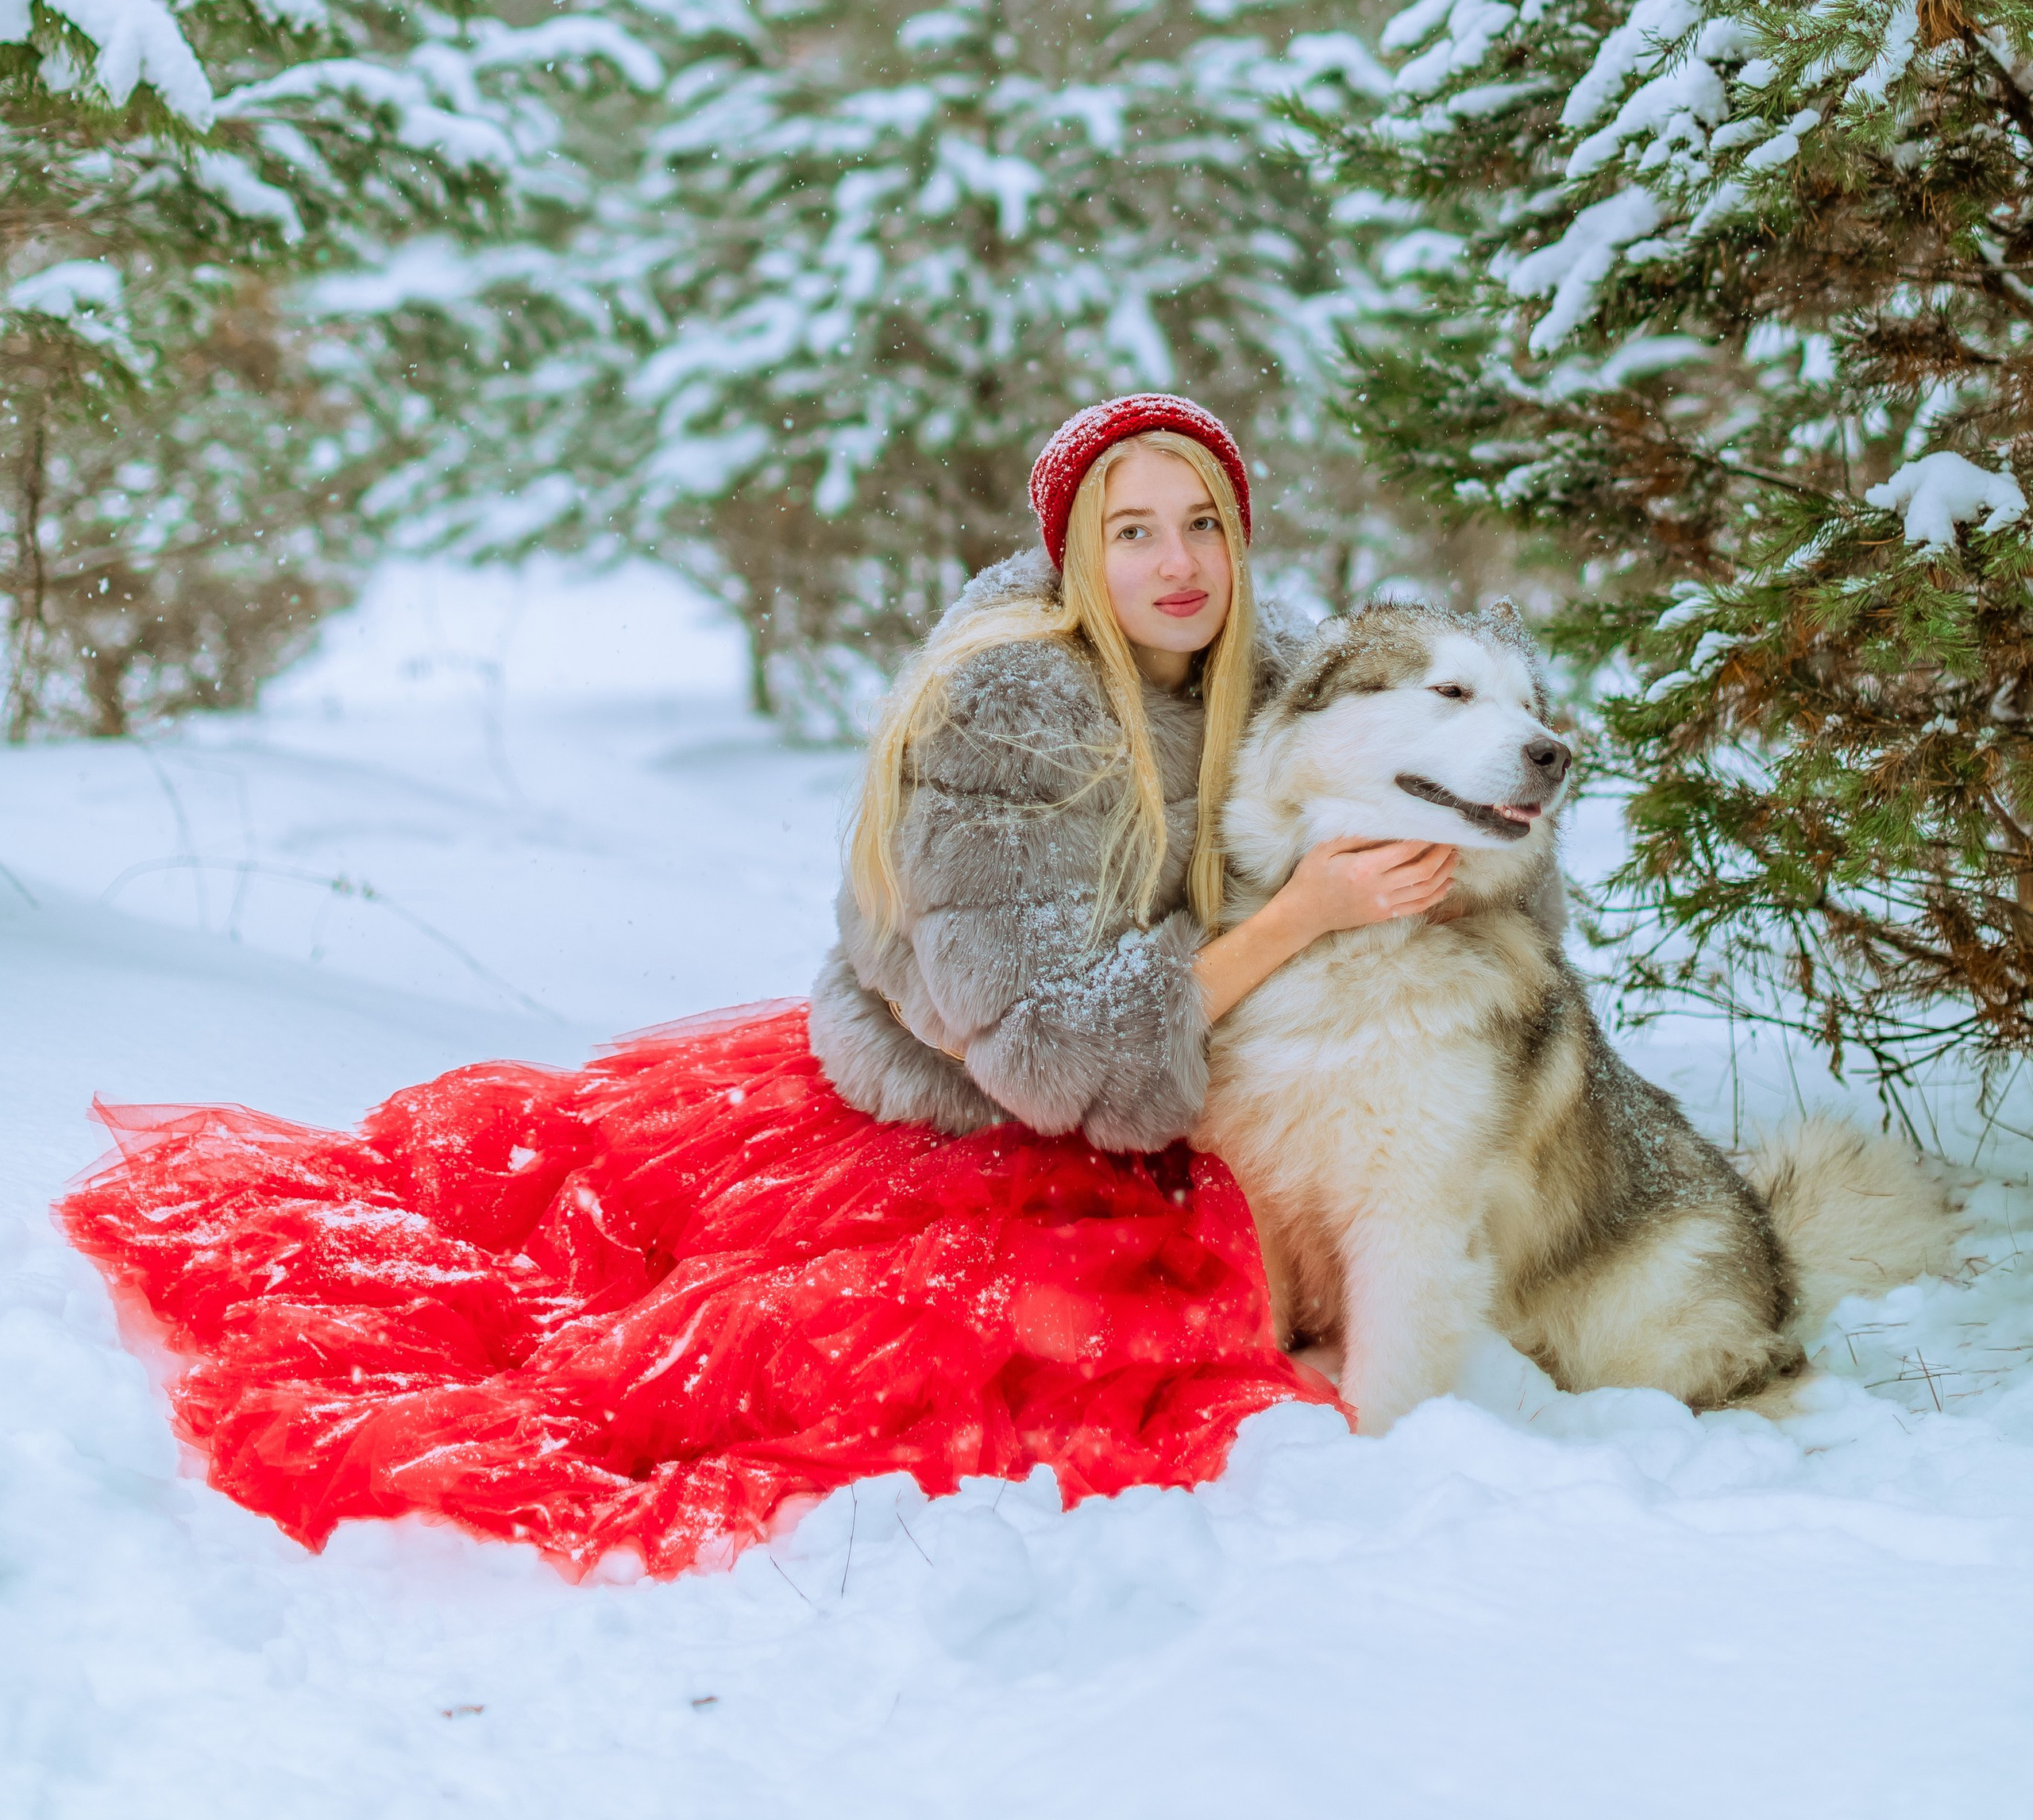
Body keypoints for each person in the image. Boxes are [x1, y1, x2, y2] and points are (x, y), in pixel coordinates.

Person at [60, 395, 1455, 1579]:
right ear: (1075, 552)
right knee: (789, 1370)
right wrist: (1304, 917)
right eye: (1132, 531)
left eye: (1202, 523)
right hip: (985, 1128)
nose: (1178, 563)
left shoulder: (1269, 687)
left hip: (1161, 1101)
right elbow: (1048, 1052)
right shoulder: (1009, 714)